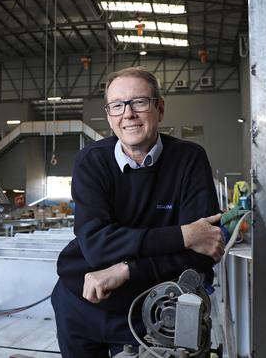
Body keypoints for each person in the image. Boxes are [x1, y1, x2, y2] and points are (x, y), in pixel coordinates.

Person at [51, 66, 224, 358]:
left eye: (139, 102)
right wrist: (183, 235)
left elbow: (202, 251)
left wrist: (127, 269)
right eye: (117, 106)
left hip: (152, 310)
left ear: (160, 109)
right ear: (109, 116)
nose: (127, 114)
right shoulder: (91, 161)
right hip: (81, 302)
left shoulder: (189, 160)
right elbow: (97, 246)